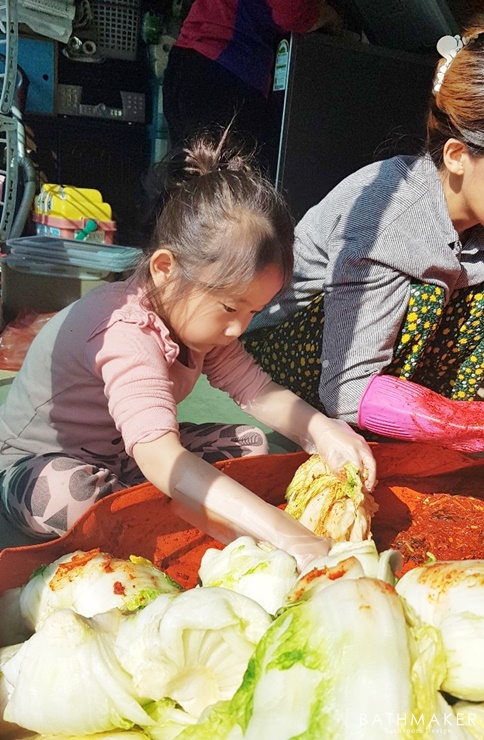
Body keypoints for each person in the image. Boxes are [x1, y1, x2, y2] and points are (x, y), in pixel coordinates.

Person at [0, 131, 375, 571]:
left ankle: (151, 501)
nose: (239, 327)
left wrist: (324, 431)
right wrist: (283, 532)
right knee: (67, 495)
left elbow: (258, 391)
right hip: (42, 464)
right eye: (230, 307)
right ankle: (159, 503)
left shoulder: (199, 325)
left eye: (254, 311)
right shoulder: (124, 331)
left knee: (252, 445)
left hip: (124, 456)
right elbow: (161, 455)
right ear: (164, 270)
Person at [243, 20, 484, 452]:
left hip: (390, 362)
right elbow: (346, 390)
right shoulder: (390, 220)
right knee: (431, 292)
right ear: (457, 156)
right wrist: (466, 428)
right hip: (299, 362)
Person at [162, 0, 340, 175]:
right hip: (224, 70)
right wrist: (328, 16)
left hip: (187, 61)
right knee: (236, 188)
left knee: (193, 183)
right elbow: (292, 13)